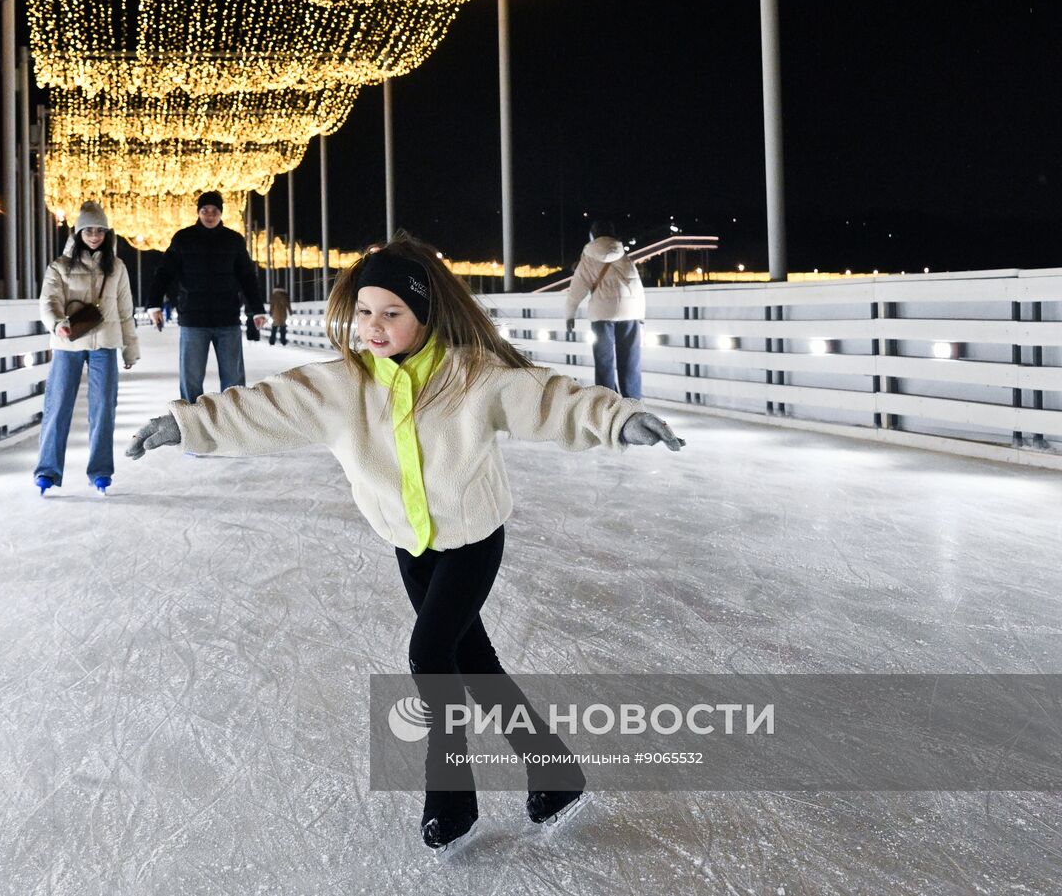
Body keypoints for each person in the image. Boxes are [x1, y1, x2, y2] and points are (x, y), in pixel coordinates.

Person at [125, 233, 684, 852]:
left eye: (392, 313)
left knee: (429, 652)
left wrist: (617, 418)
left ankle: (451, 794)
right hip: (408, 542)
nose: (373, 326)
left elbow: (546, 397)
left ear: (423, 316)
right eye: (365, 311)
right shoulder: (344, 385)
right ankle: (553, 773)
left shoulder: (472, 375)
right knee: (473, 663)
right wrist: (183, 424)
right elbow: (265, 406)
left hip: (472, 537)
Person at [34, 201, 139, 496]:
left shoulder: (116, 267)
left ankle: (101, 471)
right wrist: (57, 324)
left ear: (107, 234)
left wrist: (130, 350)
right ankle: (47, 470)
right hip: (68, 343)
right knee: (58, 406)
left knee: (104, 408)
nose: (94, 236)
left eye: (100, 231)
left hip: (105, 343)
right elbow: (48, 301)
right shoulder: (61, 266)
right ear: (78, 232)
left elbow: (125, 310)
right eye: (89, 230)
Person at [146, 191, 267, 402]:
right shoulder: (183, 239)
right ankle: (192, 422)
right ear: (198, 212)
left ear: (221, 213)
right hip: (193, 319)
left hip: (227, 319)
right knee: (191, 379)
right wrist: (154, 304)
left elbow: (247, 277)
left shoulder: (233, 240)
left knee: (234, 380)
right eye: (205, 211)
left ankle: (234, 421)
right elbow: (164, 272)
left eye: (214, 211)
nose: (209, 215)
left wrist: (257, 309)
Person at [565, 220, 646, 397]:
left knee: (604, 362)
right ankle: (633, 402)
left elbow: (576, 290)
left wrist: (569, 315)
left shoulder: (587, 259)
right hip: (630, 313)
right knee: (630, 361)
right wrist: (641, 315)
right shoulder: (624, 256)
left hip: (602, 315)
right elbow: (637, 286)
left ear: (592, 236)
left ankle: (608, 402)